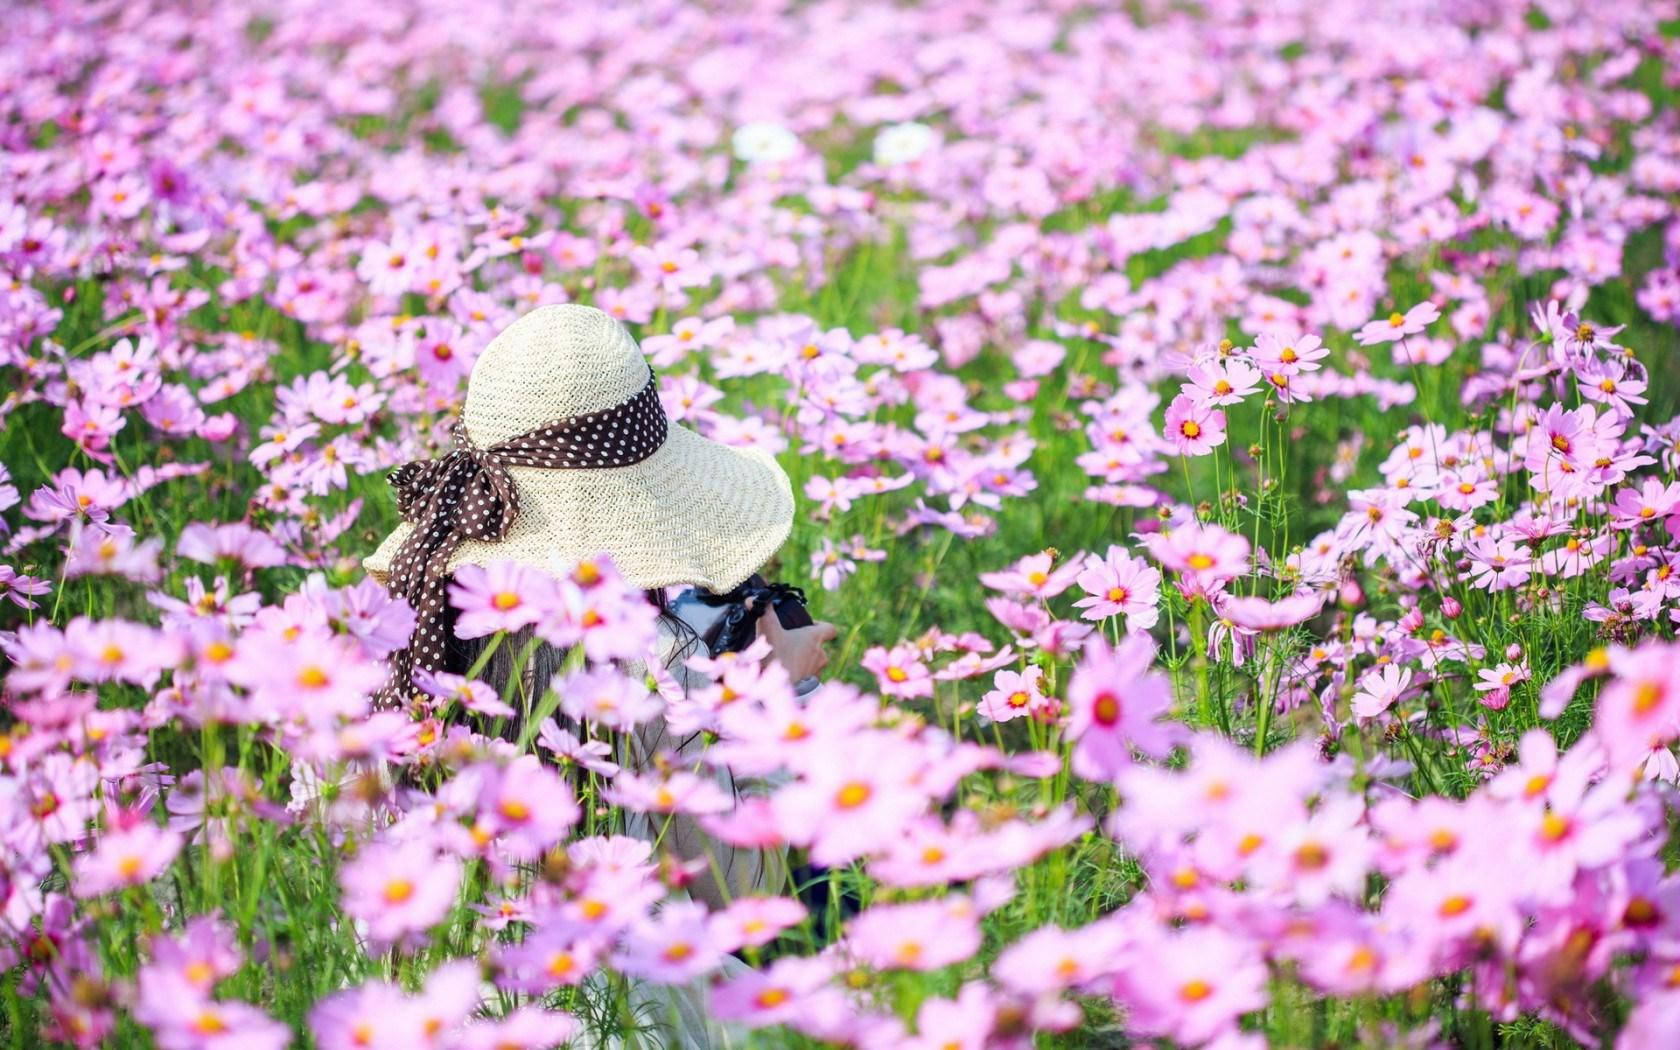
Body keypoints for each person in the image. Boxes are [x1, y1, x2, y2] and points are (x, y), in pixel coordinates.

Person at [363, 303, 836, 1046]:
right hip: (606, 1006)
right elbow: (735, 892)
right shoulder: (632, 672)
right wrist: (770, 700)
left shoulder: (394, 622)